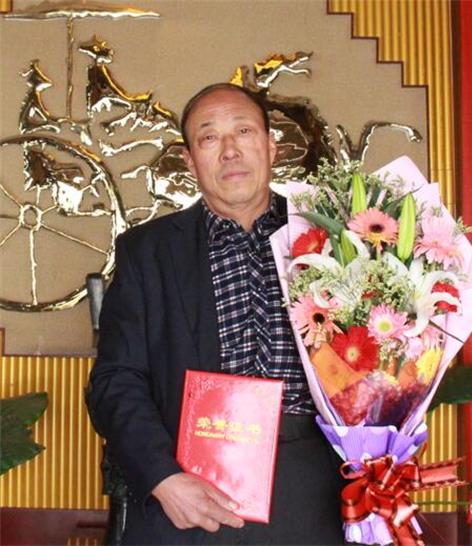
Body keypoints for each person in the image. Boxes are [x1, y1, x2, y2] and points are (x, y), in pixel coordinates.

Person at [87, 83, 344, 545]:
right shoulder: (148, 252)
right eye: (209, 137)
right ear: (190, 161)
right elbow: (115, 380)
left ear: (270, 146)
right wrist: (163, 478)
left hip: (314, 487)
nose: (229, 150)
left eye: (243, 131)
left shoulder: (335, 240)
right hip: (189, 485)